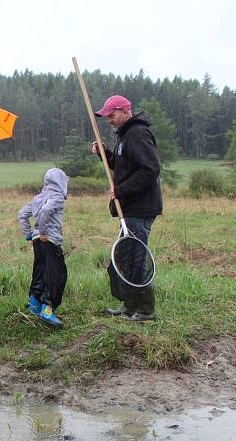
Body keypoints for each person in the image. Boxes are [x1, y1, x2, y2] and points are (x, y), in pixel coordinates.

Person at [92, 95, 162, 321]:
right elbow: (126, 168)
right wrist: (106, 155)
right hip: (130, 209)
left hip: (140, 208)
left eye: (111, 115)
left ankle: (146, 310)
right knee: (125, 256)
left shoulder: (138, 134)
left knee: (136, 258)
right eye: (107, 117)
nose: (109, 120)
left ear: (125, 111)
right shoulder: (125, 136)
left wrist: (121, 191)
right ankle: (130, 306)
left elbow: (150, 170)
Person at [17, 168, 70, 328]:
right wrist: (44, 232)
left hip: (37, 240)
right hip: (49, 240)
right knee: (57, 275)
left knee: (40, 271)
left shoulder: (39, 197)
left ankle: (33, 306)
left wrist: (29, 235)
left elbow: (22, 214)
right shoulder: (58, 197)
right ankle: (47, 310)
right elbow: (46, 211)